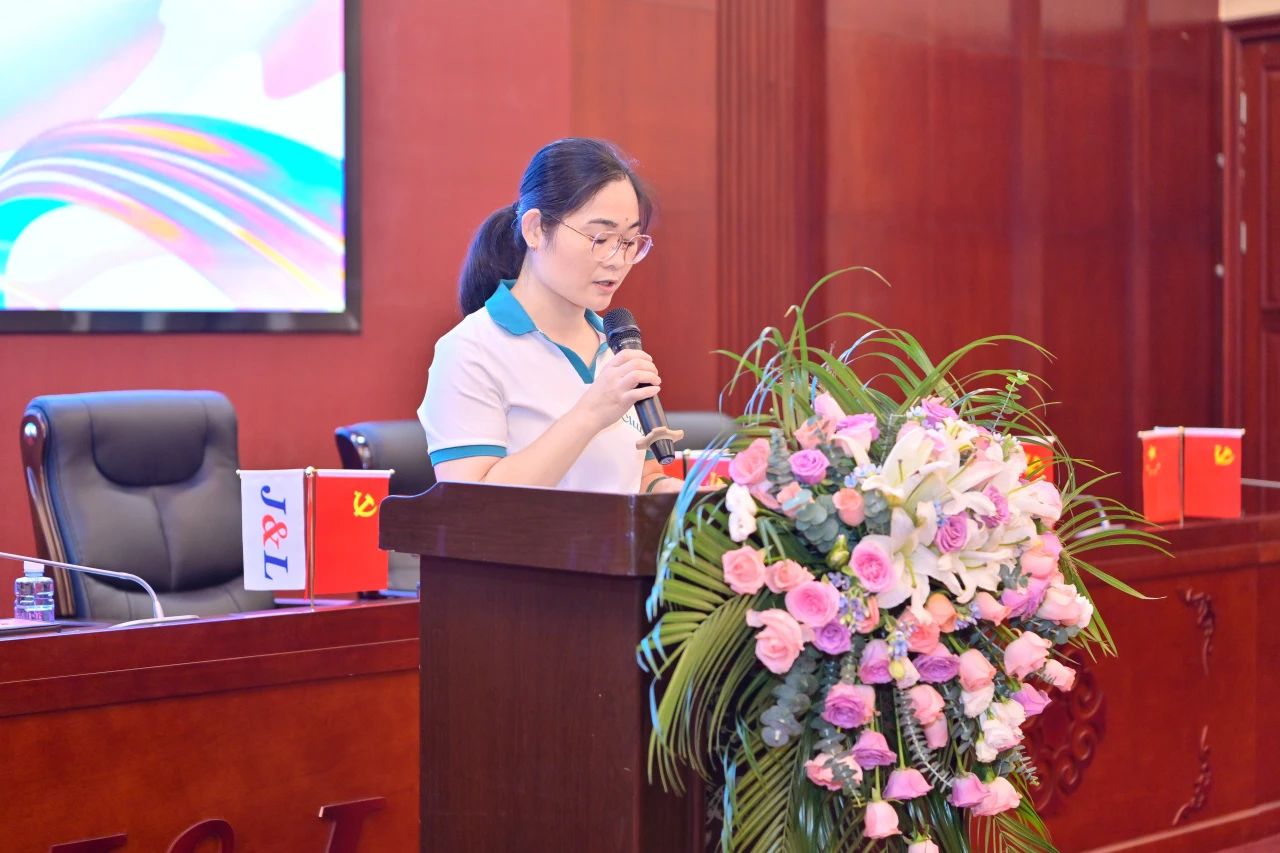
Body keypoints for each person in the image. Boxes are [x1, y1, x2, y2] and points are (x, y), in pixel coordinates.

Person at [418, 138, 681, 494]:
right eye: (600, 238)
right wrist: (591, 413)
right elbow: (471, 505)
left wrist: (705, 501)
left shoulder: (615, 346)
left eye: (628, 242)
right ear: (536, 229)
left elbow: (641, 479)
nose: (617, 261)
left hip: (619, 533)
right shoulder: (470, 350)